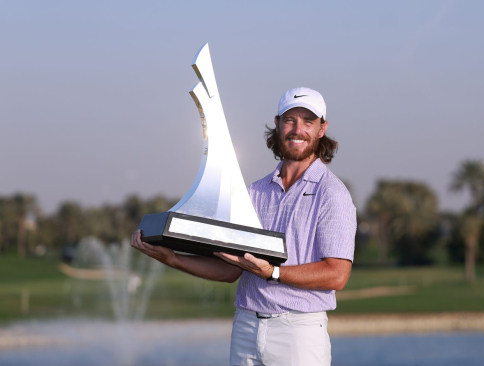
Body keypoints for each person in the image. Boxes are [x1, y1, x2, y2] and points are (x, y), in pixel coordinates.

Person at [131, 87, 357, 365]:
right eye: (290, 120)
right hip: (246, 326)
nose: (297, 130)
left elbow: (337, 275)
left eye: (308, 121)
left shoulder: (332, 193)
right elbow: (230, 270)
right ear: (277, 125)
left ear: (322, 129)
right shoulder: (254, 192)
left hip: (298, 332)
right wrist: (174, 258)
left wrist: (272, 272)